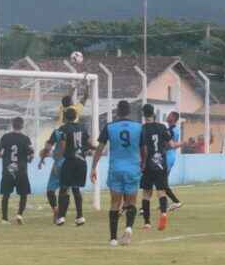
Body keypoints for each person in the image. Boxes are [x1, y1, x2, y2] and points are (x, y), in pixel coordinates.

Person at [91, 100, 143, 246]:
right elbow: (143, 148)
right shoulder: (139, 127)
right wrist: (143, 163)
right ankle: (128, 230)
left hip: (115, 169)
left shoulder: (109, 127)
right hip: (133, 168)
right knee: (131, 202)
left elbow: (99, 149)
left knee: (115, 203)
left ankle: (113, 239)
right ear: (129, 111)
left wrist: (93, 167)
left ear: (117, 112)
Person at [55, 108, 93, 226]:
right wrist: (93, 149)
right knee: (76, 189)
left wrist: (59, 158)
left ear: (65, 118)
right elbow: (88, 143)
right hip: (81, 162)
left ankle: (61, 217)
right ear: (76, 117)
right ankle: (80, 216)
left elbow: (62, 145)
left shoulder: (63, 129)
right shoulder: (83, 128)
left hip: (70, 161)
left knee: (64, 188)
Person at [139, 104, 175, 231]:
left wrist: (141, 162)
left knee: (146, 194)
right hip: (161, 163)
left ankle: (147, 223)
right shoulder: (162, 127)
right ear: (153, 114)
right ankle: (163, 214)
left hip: (148, 164)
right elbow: (172, 144)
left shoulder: (142, 129)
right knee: (161, 192)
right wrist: (162, 148)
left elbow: (141, 147)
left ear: (144, 115)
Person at [0, 117, 34, 225]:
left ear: (12, 125)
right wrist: (29, 160)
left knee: (6, 194)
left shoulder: (5, 137)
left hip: (9, 169)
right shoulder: (26, 139)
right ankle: (19, 214)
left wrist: (4, 157)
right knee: (24, 194)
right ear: (22, 126)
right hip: (21, 170)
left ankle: (4, 219)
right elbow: (31, 155)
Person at [39, 127, 65, 223]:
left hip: (59, 164)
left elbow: (48, 147)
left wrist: (42, 159)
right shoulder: (78, 130)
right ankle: (78, 215)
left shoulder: (57, 132)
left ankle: (56, 210)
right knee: (67, 191)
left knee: (50, 190)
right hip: (72, 164)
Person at [164, 111, 183, 211]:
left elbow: (169, 145)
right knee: (163, 181)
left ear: (173, 118)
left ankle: (176, 202)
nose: (167, 116)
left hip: (167, 156)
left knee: (162, 182)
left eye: (169, 115)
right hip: (171, 155)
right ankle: (165, 203)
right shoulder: (175, 129)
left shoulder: (171, 130)